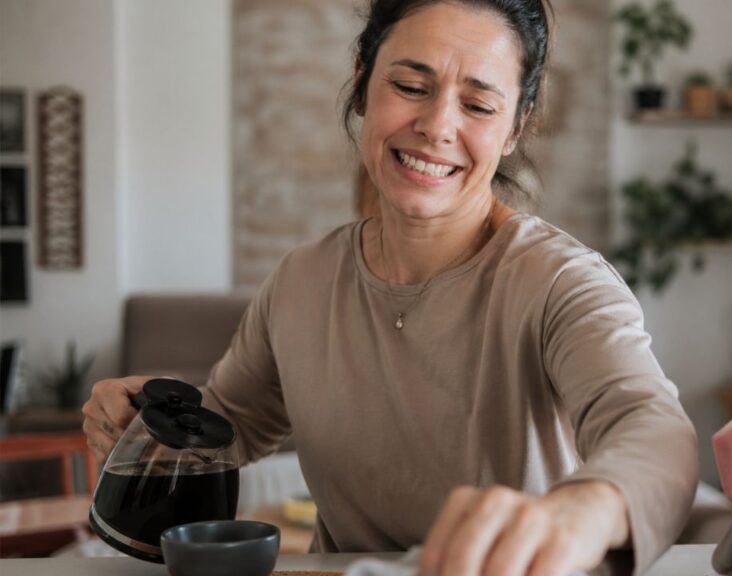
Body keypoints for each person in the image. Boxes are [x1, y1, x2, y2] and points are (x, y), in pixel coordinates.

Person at [83, 1, 699, 574]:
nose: (437, 127)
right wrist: (144, 419)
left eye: (479, 105)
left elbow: (653, 429)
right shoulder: (301, 280)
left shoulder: (563, 283)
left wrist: (580, 511)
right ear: (362, 81)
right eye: (410, 87)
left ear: (515, 128)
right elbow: (233, 422)